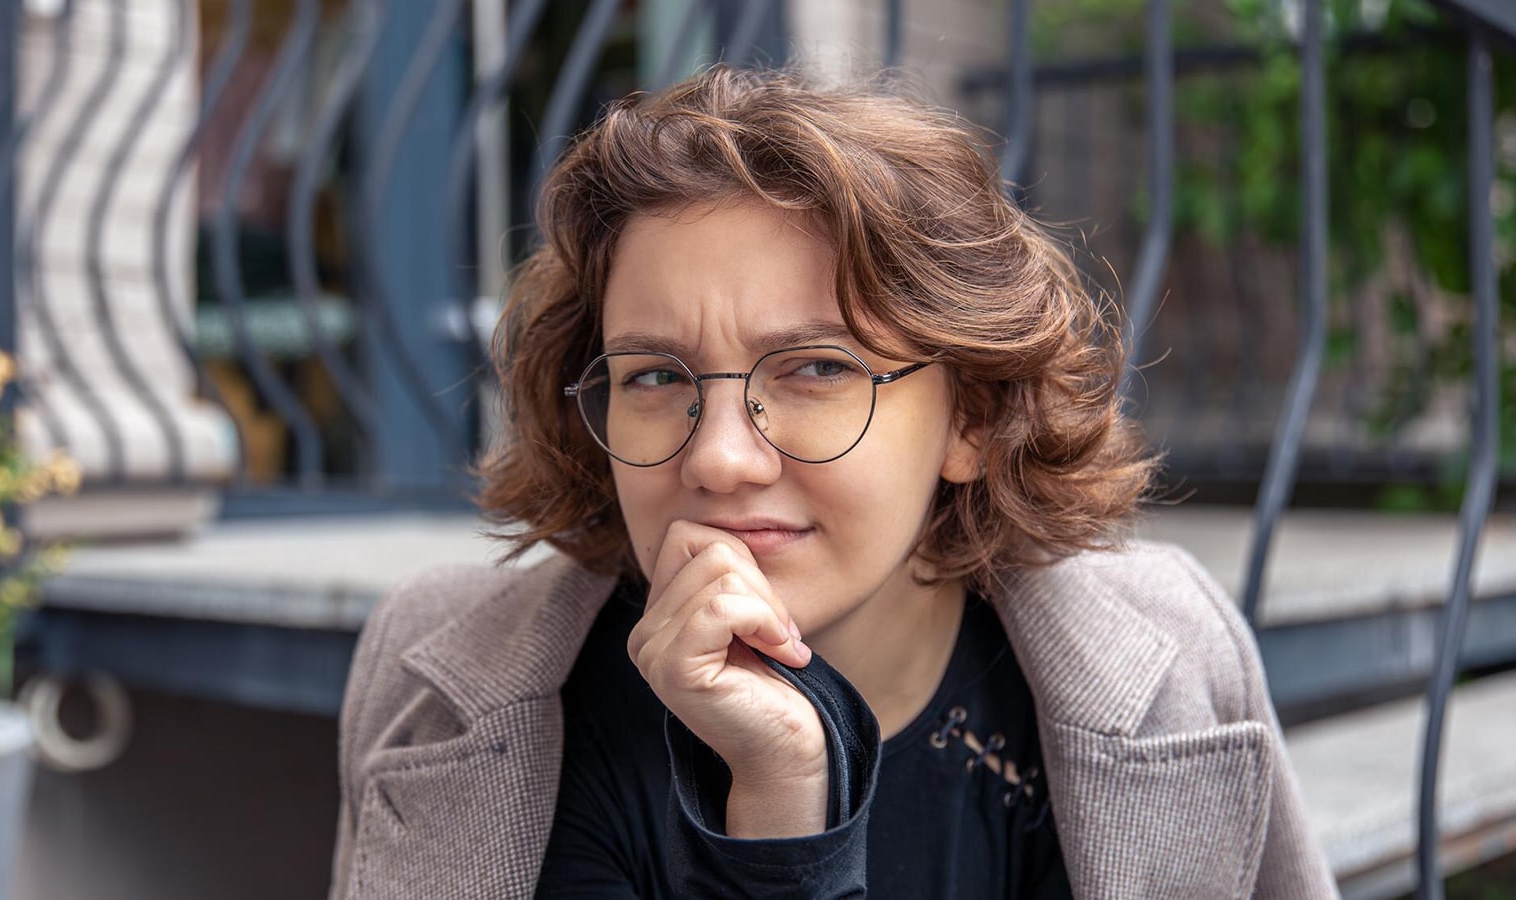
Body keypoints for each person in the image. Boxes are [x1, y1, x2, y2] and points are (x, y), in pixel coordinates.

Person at [328, 67, 1337, 899]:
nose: (719, 457)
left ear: (972, 418)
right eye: (655, 376)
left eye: (814, 368)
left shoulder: (1172, 660)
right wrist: (781, 814)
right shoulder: (446, 685)